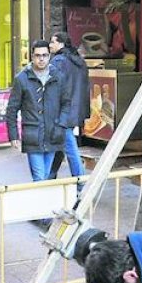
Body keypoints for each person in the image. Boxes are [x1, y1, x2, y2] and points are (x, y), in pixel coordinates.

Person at [4, 40, 71, 182]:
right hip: (32, 134)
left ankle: (43, 203)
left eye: (45, 55)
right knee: (39, 178)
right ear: (32, 57)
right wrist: (13, 135)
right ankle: (41, 203)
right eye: (38, 55)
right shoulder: (22, 79)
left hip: (53, 133)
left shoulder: (58, 77)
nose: (41, 59)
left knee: (46, 177)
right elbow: (12, 109)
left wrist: (61, 125)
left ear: (49, 56)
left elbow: (66, 104)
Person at [49, 32, 90, 181]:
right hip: (76, 110)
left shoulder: (58, 61)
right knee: (61, 144)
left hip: (63, 111)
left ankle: (80, 180)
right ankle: (50, 175)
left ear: (61, 44)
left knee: (70, 147)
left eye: (53, 42)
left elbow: (52, 87)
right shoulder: (79, 61)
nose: (50, 45)